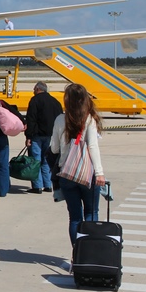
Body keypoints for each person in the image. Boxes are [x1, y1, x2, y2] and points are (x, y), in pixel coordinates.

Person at [51, 83, 106, 245]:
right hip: (87, 174)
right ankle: (89, 252)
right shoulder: (89, 119)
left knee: (74, 217)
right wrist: (99, 172)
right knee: (91, 213)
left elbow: (54, 148)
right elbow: (92, 146)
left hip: (67, 173)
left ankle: (77, 253)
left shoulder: (60, 119)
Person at [25, 81, 63, 194]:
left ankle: (37, 186)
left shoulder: (35, 101)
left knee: (36, 160)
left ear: (37, 89)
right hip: (51, 136)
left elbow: (31, 119)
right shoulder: (55, 102)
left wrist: (28, 136)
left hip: (37, 136)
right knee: (47, 160)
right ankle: (47, 184)